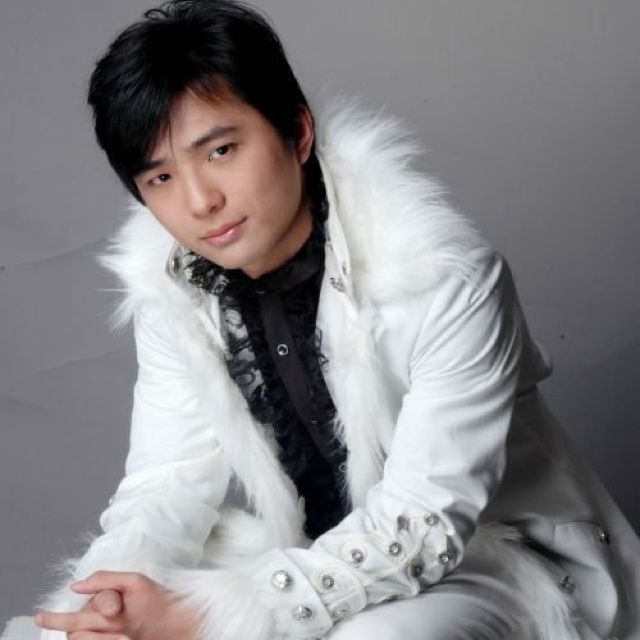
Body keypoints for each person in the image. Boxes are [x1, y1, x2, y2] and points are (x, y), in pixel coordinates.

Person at [31, 1, 640, 639]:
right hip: (313, 558)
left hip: (493, 559)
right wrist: (107, 598)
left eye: (221, 150)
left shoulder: (442, 278)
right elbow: (167, 482)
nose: (200, 201)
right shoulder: (175, 293)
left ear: (297, 133)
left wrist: (216, 617)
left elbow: (423, 522)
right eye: (159, 177)